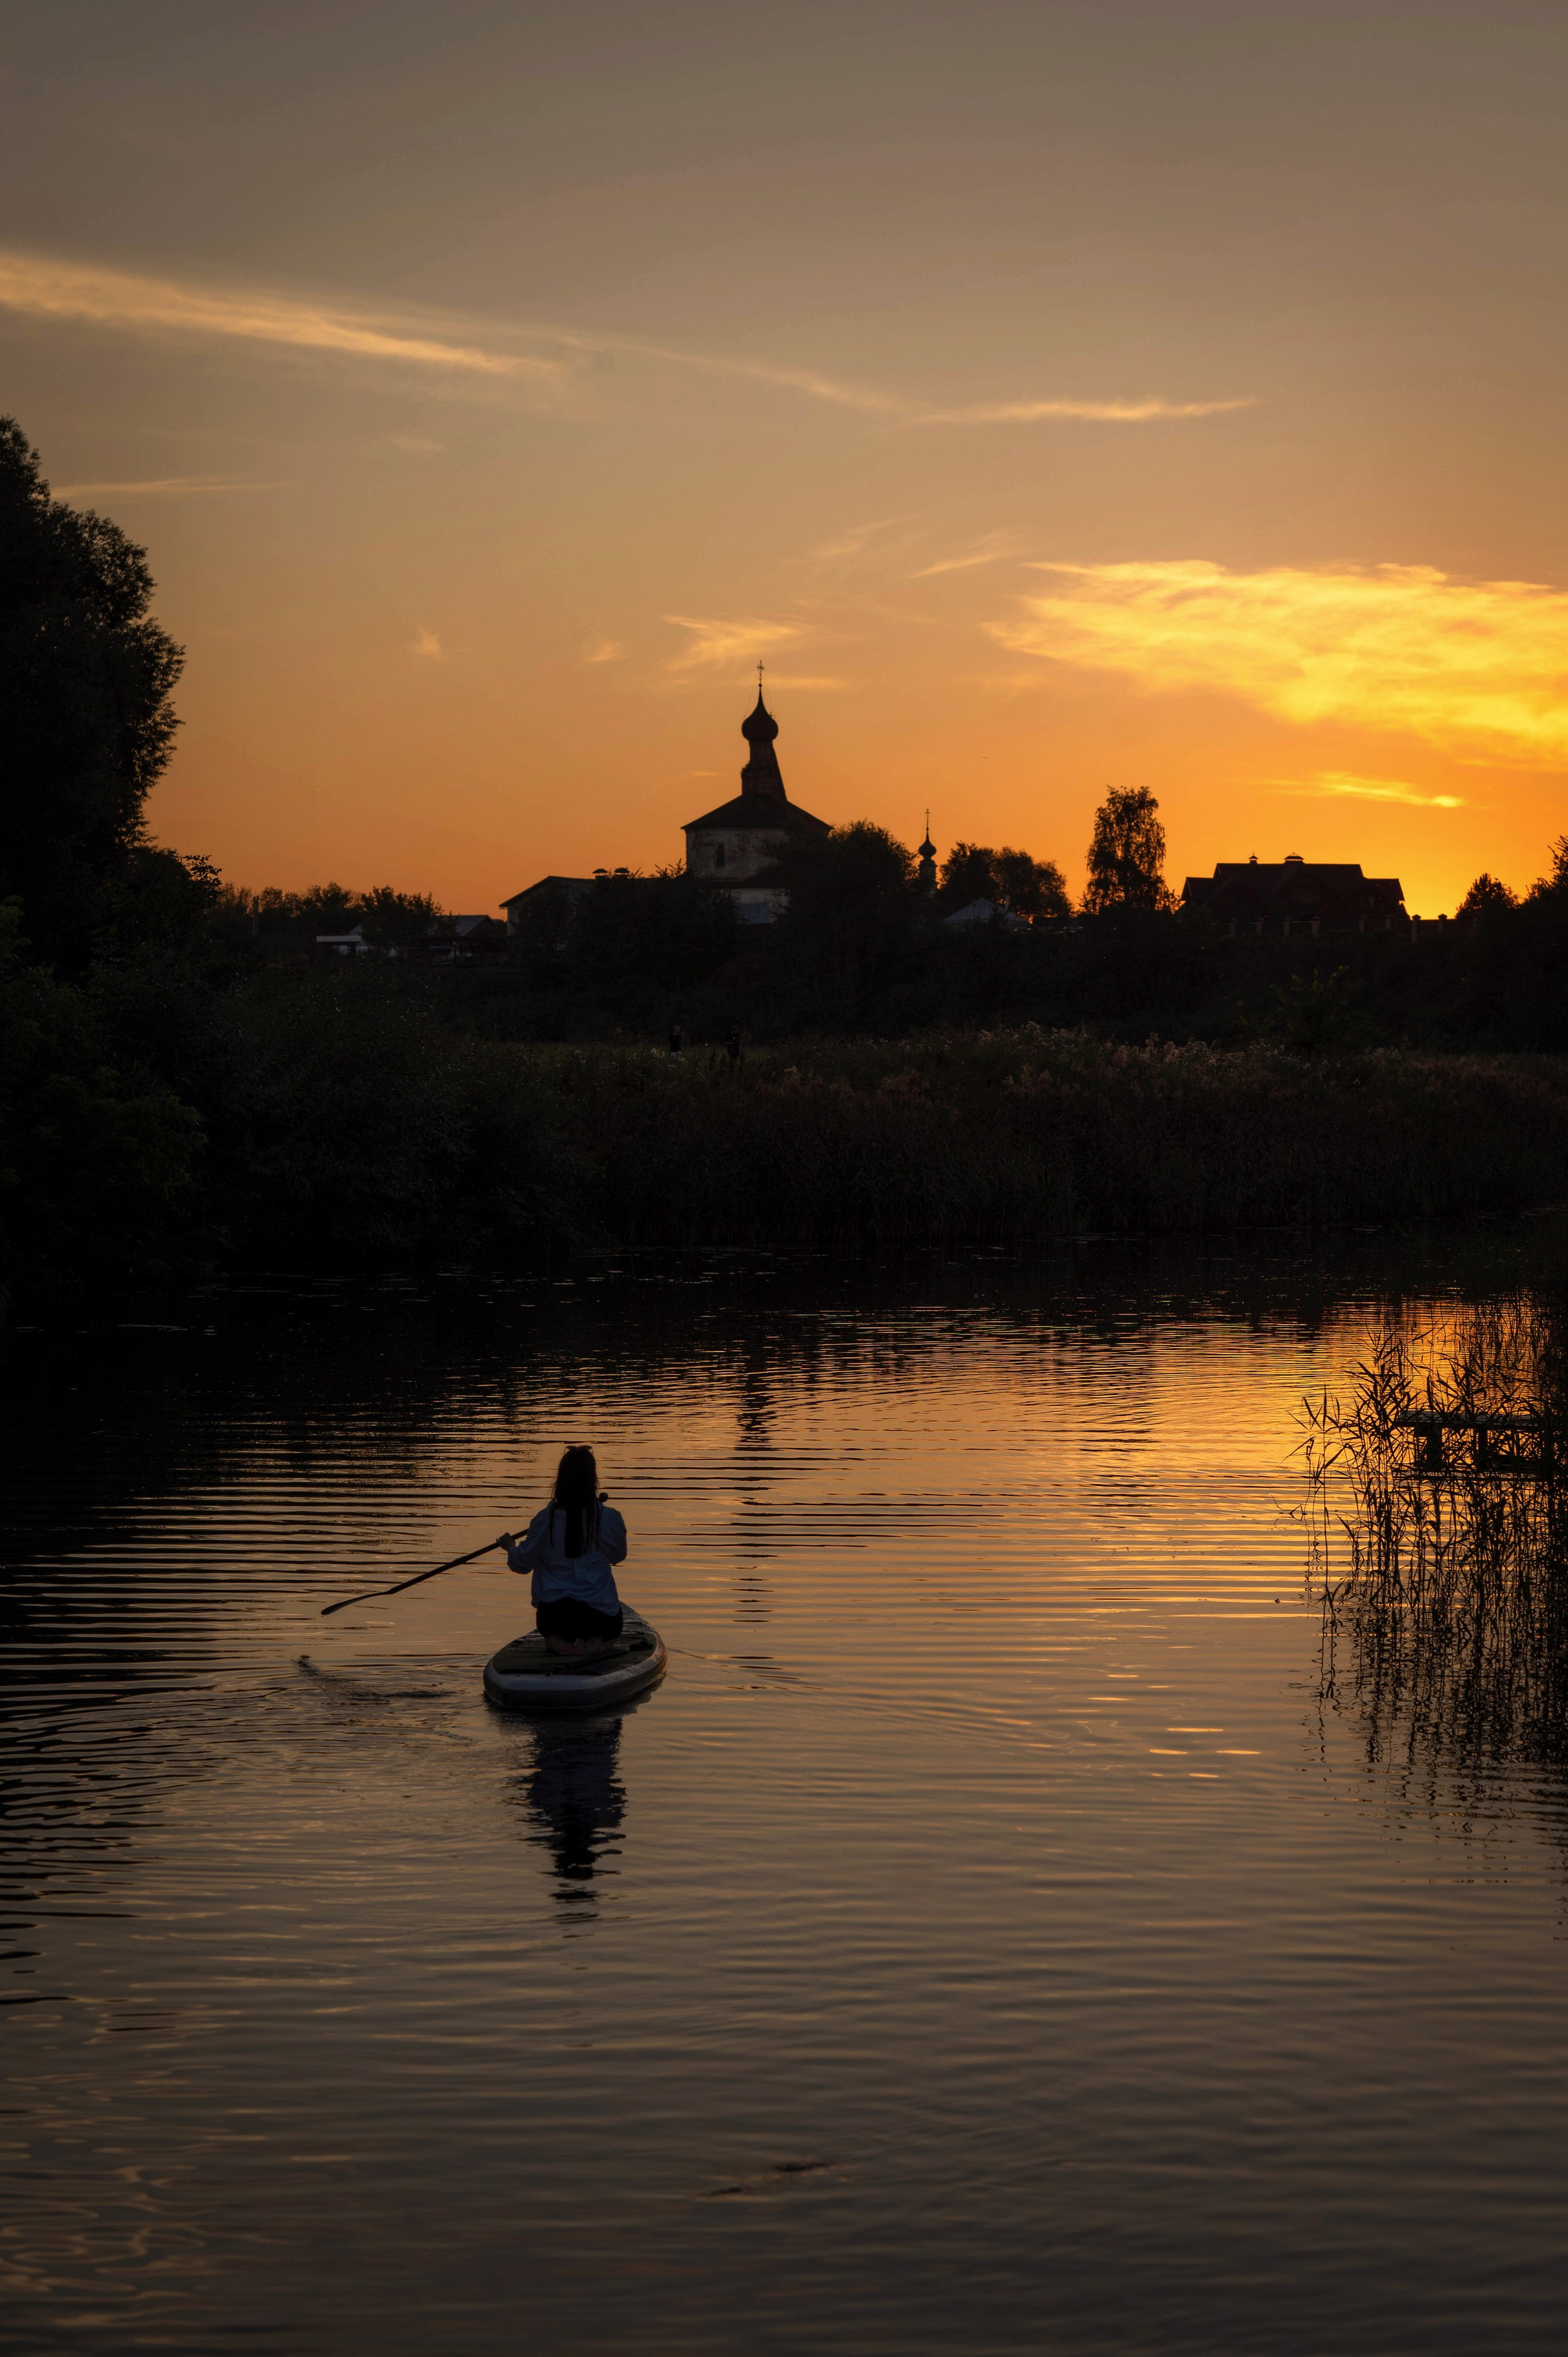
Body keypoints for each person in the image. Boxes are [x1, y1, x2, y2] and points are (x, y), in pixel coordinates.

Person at [505, 1446, 627, 1659]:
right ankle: (595, 1644)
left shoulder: (545, 1520)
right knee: (608, 1634)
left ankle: (559, 1643)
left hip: (556, 1616)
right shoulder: (609, 1518)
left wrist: (510, 1547)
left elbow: (521, 1564)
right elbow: (619, 1556)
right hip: (599, 1616)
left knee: (552, 1633)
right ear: (593, 1481)